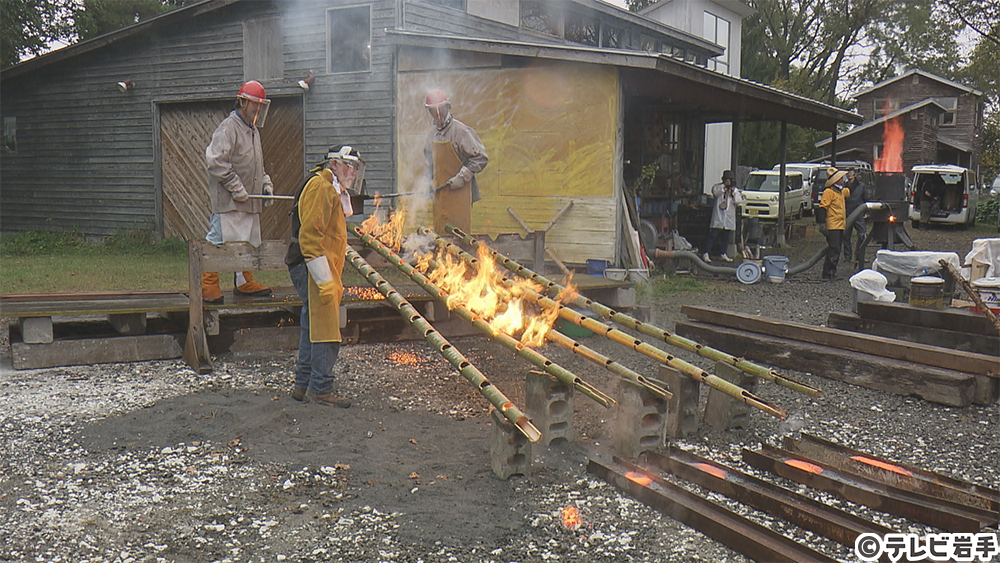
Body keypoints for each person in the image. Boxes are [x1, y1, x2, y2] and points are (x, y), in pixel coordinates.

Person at [284, 145, 365, 407]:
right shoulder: (321, 188)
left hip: (315, 266)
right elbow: (310, 236)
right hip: (313, 266)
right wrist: (324, 279)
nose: (352, 173)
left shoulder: (329, 187)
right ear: (334, 164)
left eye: (354, 168)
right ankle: (320, 387)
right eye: (348, 166)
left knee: (312, 325)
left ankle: (303, 384)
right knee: (325, 328)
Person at [202, 80, 275, 303]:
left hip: (250, 202)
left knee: (248, 241)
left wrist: (265, 184)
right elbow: (216, 162)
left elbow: (256, 165)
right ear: (243, 102)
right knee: (218, 240)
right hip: (229, 202)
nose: (258, 109)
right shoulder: (228, 128)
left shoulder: (253, 131)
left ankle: (244, 283)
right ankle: (207, 285)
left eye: (261, 105)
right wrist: (236, 188)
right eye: (255, 104)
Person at [424, 89, 488, 233]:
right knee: (440, 236)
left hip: (459, 195)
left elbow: (481, 158)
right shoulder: (431, 134)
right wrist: (427, 182)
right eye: (434, 111)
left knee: (459, 238)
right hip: (440, 196)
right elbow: (429, 164)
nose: (438, 114)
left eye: (440, 109)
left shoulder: (461, 131)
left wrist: (462, 177)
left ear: (447, 107)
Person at [816, 167, 851, 280]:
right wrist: (822, 224)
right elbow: (822, 208)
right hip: (833, 225)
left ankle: (832, 272)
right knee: (834, 249)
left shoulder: (840, 192)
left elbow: (850, 190)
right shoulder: (829, 192)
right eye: (840, 178)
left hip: (840, 225)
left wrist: (853, 180)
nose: (842, 179)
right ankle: (828, 273)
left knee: (836, 249)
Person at [702, 170, 742, 263]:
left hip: (728, 219)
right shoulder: (718, 187)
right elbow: (715, 193)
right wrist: (724, 188)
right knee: (713, 235)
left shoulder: (735, 190)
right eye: (726, 180)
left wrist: (733, 193)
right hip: (718, 218)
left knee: (726, 237)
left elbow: (738, 201)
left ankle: (723, 253)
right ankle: (706, 253)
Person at [842, 168, 869, 262]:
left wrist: (866, 211)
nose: (849, 175)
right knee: (846, 237)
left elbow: (866, 198)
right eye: (847, 173)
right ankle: (847, 257)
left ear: (855, 174)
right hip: (847, 214)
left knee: (862, 235)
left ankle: (859, 255)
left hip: (858, 214)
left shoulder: (861, 186)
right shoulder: (844, 187)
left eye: (851, 173)